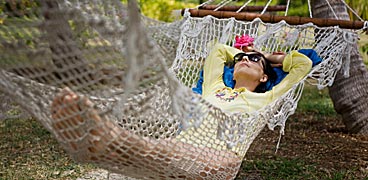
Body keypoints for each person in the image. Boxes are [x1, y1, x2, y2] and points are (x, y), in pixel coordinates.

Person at [50, 42, 312, 179]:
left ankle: (106, 139)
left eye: (253, 61)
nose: (244, 59)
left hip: (221, 160)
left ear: (265, 77)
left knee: (161, 154)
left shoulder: (265, 98)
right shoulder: (214, 87)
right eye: (240, 59)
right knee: (162, 155)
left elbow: (304, 63)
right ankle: (104, 146)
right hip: (179, 148)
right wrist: (250, 54)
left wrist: (265, 55)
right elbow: (218, 51)